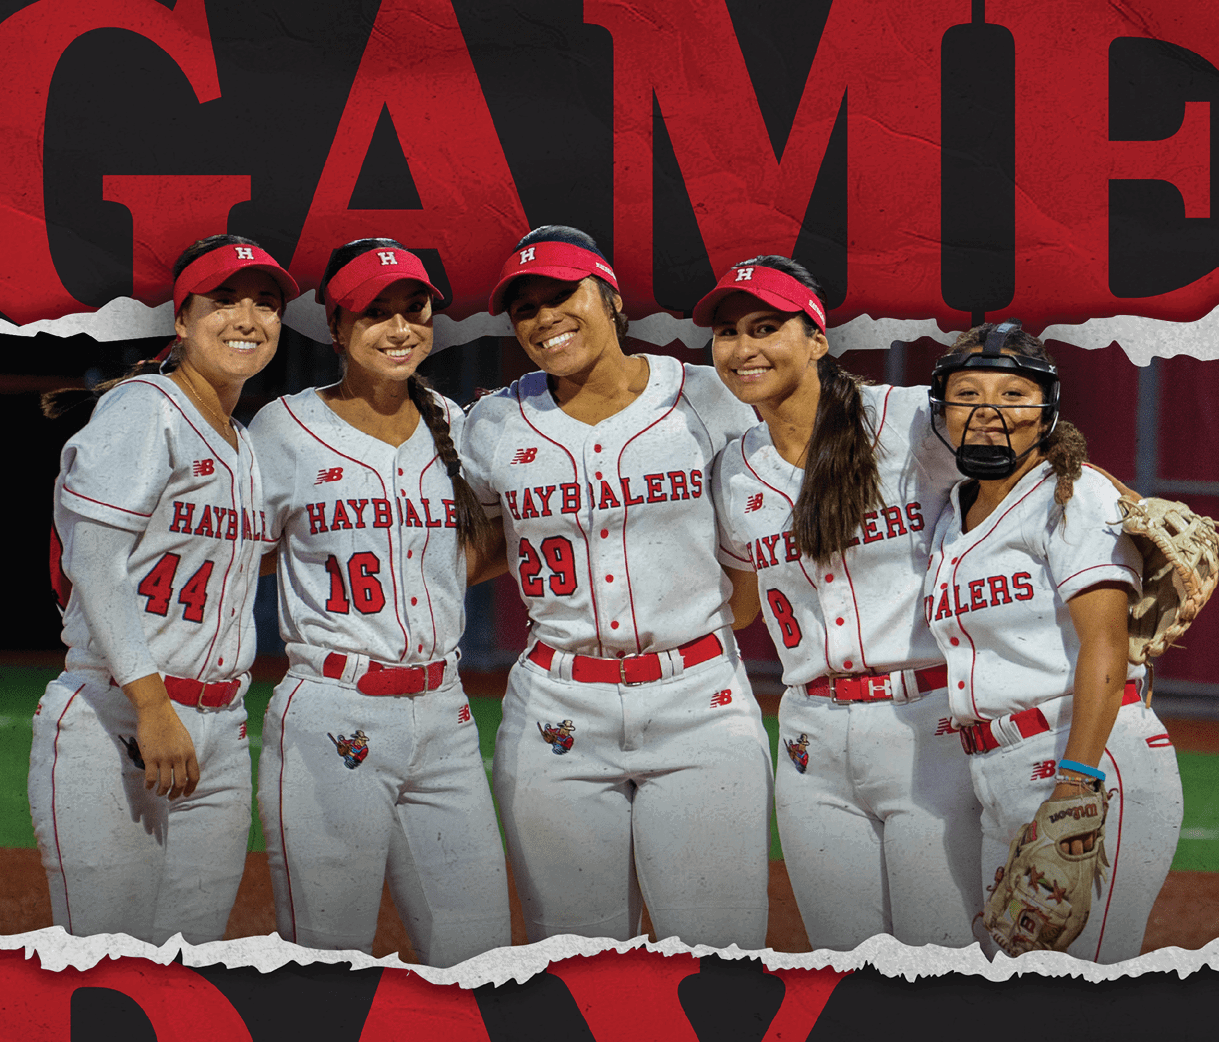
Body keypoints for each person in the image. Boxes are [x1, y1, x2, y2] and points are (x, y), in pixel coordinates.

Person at [459, 225, 773, 950]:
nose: (545, 317)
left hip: (698, 698)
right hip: (557, 705)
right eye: (525, 307)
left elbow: (753, 553)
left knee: (717, 952)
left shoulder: (706, 398)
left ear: (610, 298)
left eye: (562, 294)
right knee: (572, 962)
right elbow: (473, 549)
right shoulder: (493, 423)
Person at [700, 255, 981, 949]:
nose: (744, 348)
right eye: (729, 332)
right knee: (844, 968)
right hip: (810, 738)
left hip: (927, 725)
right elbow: (738, 607)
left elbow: (1036, 462)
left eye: (767, 326)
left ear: (817, 338)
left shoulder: (911, 420)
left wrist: (1122, 512)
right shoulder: (735, 469)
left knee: (945, 962)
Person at [29, 233, 297, 945]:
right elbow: (96, 564)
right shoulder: (146, 409)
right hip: (122, 717)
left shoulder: (240, 441)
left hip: (217, 729)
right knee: (113, 973)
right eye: (225, 300)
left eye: (266, 303)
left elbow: (227, 561)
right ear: (181, 320)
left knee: (190, 976)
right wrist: (151, 706)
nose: (248, 317)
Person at [249, 238, 511, 965]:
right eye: (375, 314)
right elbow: (241, 550)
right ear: (335, 329)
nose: (400, 328)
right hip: (334, 707)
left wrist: (437, 577)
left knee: (482, 957)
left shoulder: (453, 426)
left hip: (446, 713)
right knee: (329, 961)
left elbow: (487, 544)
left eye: (414, 309)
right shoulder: (284, 429)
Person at [923, 321, 1184, 962]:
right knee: (1007, 976)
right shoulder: (951, 511)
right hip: (996, 768)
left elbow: (1105, 645)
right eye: (967, 394)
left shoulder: (1074, 495)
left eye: (1013, 395)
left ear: (1047, 409)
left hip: (1087, 760)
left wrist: (1074, 786)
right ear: (942, 410)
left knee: (1082, 986)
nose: (988, 413)